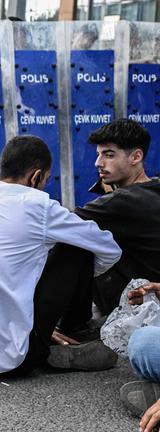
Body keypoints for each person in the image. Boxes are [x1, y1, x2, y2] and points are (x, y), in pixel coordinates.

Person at [0, 135, 122, 375]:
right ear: (36, 176)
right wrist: (77, 282)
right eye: (45, 180)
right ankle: (74, 331)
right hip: (9, 361)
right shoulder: (37, 205)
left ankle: (32, 330)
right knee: (77, 248)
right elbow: (108, 247)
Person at [75, 119, 160, 316]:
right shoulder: (153, 187)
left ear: (136, 156)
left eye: (109, 155)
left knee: (72, 244)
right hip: (150, 301)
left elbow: (61, 224)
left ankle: (71, 326)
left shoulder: (124, 201)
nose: (98, 163)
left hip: (139, 310)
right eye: (98, 155)